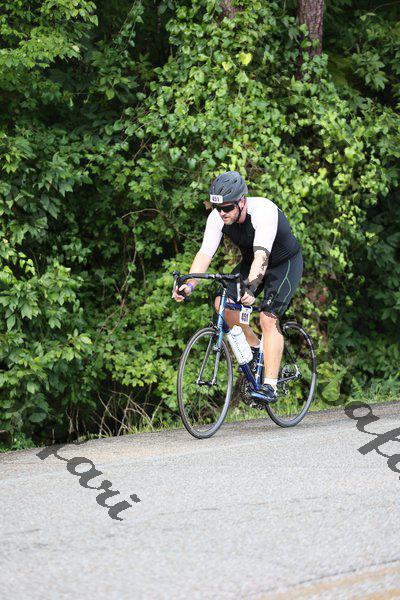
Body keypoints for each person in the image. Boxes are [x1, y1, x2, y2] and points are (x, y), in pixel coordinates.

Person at [172, 171, 303, 402]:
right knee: (222, 304)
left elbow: (262, 256)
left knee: (268, 318)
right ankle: (255, 349)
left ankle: (270, 386)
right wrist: (189, 284)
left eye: (227, 208)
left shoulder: (263, 211)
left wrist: (251, 288)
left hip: (284, 263)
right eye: (217, 208)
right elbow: (205, 254)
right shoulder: (217, 217)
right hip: (252, 262)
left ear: (242, 201)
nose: (222, 213)